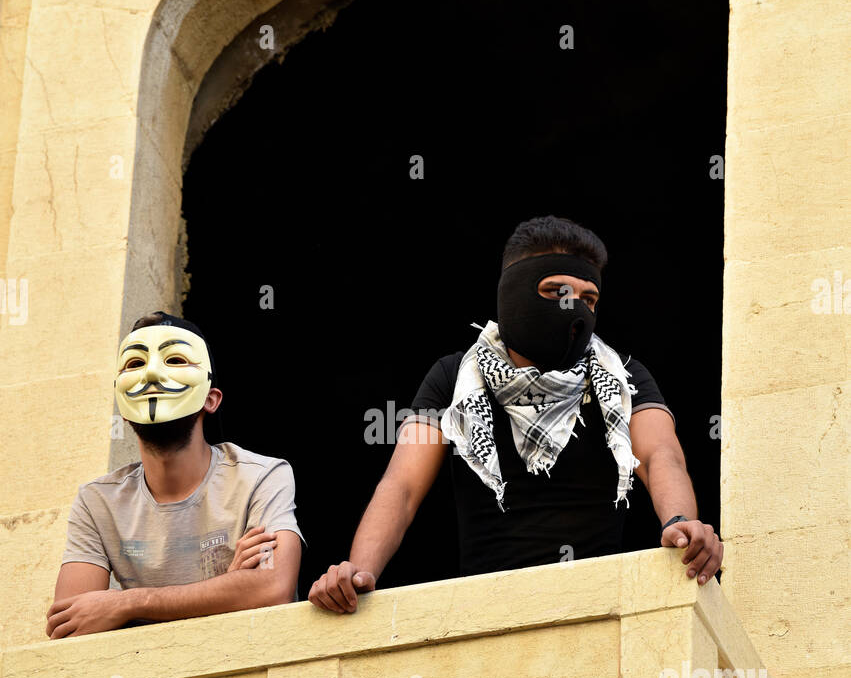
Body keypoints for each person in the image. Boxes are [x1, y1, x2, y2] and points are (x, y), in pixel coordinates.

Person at [309, 216, 723, 614]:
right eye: (555, 291)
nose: (574, 310)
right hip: (485, 613)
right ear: (514, 291)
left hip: (599, 606)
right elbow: (401, 488)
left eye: (588, 298)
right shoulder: (453, 377)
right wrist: (359, 573)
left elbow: (659, 456)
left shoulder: (622, 376)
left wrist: (682, 523)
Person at [47, 311, 302, 638]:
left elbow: (272, 588)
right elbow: (70, 628)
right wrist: (228, 586)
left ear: (211, 399)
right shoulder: (97, 503)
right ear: (122, 407)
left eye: (176, 359)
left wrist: (126, 604)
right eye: (135, 364)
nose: (151, 373)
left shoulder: (261, 478)